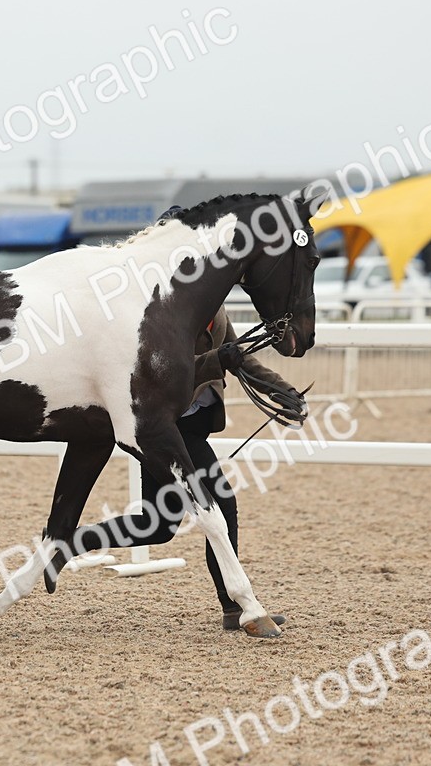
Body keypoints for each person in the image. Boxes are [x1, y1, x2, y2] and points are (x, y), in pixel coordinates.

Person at [77, 208, 307, 630]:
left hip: (192, 421)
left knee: (156, 525)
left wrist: (281, 390)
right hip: (165, 424)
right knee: (222, 502)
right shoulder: (158, 309)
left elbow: (238, 357)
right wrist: (216, 360)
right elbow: (164, 371)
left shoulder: (210, 304)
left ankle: (72, 542)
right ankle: (235, 608)